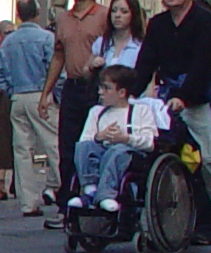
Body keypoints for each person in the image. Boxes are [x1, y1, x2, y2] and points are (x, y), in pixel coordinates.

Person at [131, 0, 211, 243]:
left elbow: (202, 64)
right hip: (172, 94)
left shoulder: (204, 20)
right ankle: (189, 220)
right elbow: (146, 63)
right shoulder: (158, 24)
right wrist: (129, 94)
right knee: (167, 151)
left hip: (205, 95)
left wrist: (185, 95)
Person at [41, 0, 110, 210]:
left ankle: (96, 193)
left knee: (93, 141)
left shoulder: (103, 16)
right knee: (67, 144)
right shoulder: (63, 19)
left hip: (96, 86)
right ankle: (66, 200)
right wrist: (46, 92)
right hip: (71, 85)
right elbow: (58, 56)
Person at [0, 0, 56, 214]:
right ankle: (59, 188)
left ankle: (28, 202)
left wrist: (11, 89)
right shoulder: (46, 38)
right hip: (41, 94)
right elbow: (55, 68)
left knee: (22, 150)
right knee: (52, 144)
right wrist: (52, 92)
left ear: (18, 15)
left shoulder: (9, 41)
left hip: (18, 96)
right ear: (37, 13)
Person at [71, 64, 168, 205]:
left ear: (122, 92)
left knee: (118, 149)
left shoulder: (141, 111)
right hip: (102, 154)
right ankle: (90, 189)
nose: (100, 92)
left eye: (107, 88)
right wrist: (99, 137)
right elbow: (85, 140)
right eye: (100, 87)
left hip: (131, 157)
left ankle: (105, 194)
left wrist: (125, 138)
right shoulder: (96, 112)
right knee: (83, 146)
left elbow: (149, 142)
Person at [0, 17, 18, 201]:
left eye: (13, 32)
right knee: (0, 141)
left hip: (16, 98)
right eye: (7, 32)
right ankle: (1, 186)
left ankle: (18, 181)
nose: (10, 36)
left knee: (20, 141)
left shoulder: (18, 52)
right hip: (0, 101)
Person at [99, 0, 148, 74]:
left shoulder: (141, 45)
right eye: (114, 11)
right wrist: (92, 66)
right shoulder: (102, 42)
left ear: (133, 15)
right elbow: (86, 72)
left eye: (124, 12)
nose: (117, 15)